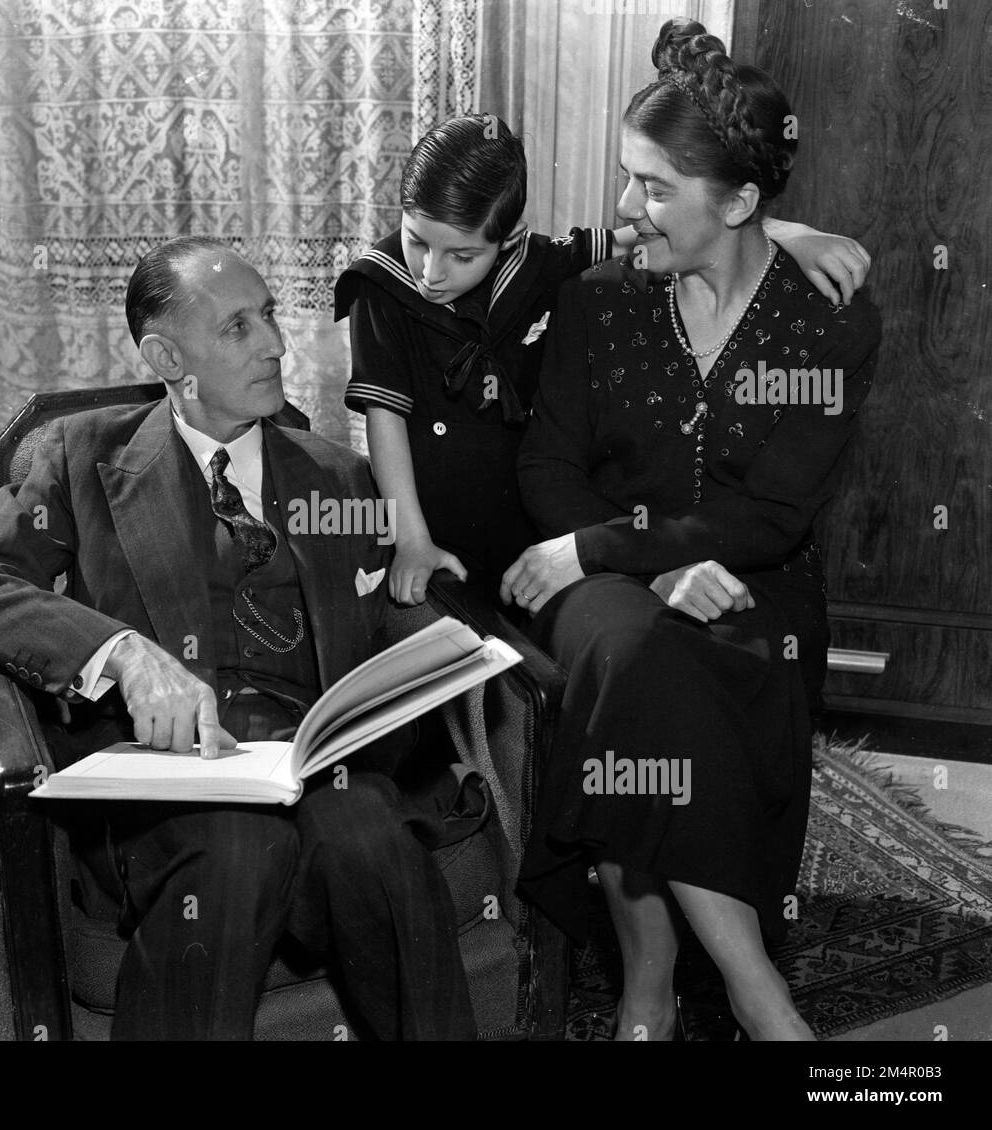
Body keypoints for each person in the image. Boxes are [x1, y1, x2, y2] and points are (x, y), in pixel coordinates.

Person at [0, 236, 475, 1041]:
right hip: (168, 785)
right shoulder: (85, 460)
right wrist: (123, 656)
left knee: (371, 835)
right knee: (239, 845)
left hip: (312, 769)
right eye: (239, 328)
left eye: (271, 316)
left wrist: (424, 656)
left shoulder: (337, 477)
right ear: (166, 355)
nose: (277, 344)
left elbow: (381, 625)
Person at [500, 19, 882, 1040]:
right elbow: (546, 465)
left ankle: (649, 986)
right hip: (607, 586)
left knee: (661, 687)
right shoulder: (599, 304)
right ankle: (746, 992)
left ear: (741, 201)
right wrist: (639, 564)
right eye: (628, 178)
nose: (625, 209)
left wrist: (613, 551)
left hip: (759, 588)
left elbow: (771, 512)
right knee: (628, 652)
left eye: (655, 187)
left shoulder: (827, 320)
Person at [336, 114, 872, 605]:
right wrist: (411, 542)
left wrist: (788, 234)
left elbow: (669, 235)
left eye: (462, 255)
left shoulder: (541, 262)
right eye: (416, 241)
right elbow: (385, 420)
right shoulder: (378, 287)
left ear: (509, 241)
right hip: (431, 528)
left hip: (528, 526)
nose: (430, 273)